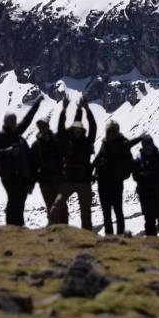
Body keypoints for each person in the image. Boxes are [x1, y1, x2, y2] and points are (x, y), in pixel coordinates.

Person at [0, 97, 42, 226]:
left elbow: (27, 121)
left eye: (14, 120)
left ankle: (18, 226)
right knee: (13, 199)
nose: (13, 123)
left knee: (21, 199)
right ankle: (12, 226)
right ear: (5, 122)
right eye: (10, 120)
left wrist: (36, 104)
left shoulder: (17, 134)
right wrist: (8, 151)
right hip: (8, 174)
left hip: (21, 175)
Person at [50, 98, 96, 229]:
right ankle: (50, 231)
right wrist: (64, 110)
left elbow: (93, 126)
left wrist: (86, 110)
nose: (77, 132)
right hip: (68, 181)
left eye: (79, 130)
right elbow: (60, 127)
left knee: (86, 213)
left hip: (83, 181)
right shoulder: (67, 141)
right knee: (56, 206)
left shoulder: (87, 142)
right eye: (75, 130)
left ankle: (86, 238)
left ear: (82, 131)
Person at [129, 114, 159, 239]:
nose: (148, 148)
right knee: (149, 226)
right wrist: (146, 176)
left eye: (149, 145)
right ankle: (152, 251)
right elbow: (135, 176)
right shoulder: (138, 161)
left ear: (152, 146)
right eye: (145, 146)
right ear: (143, 147)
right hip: (147, 198)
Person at [92, 120, 134, 235]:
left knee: (117, 212)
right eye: (108, 131)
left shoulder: (122, 144)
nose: (110, 133)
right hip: (103, 183)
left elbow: (128, 164)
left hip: (115, 184)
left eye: (112, 131)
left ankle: (119, 236)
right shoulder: (105, 143)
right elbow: (98, 157)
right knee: (106, 214)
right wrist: (92, 170)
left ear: (116, 132)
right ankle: (109, 238)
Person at [30, 100, 66, 224]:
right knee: (50, 206)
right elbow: (32, 165)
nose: (42, 127)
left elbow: (64, 155)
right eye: (40, 126)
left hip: (58, 179)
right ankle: (53, 231)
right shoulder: (35, 146)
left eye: (43, 125)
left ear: (47, 126)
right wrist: (33, 182)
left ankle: (65, 231)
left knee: (62, 207)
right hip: (44, 181)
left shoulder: (56, 141)